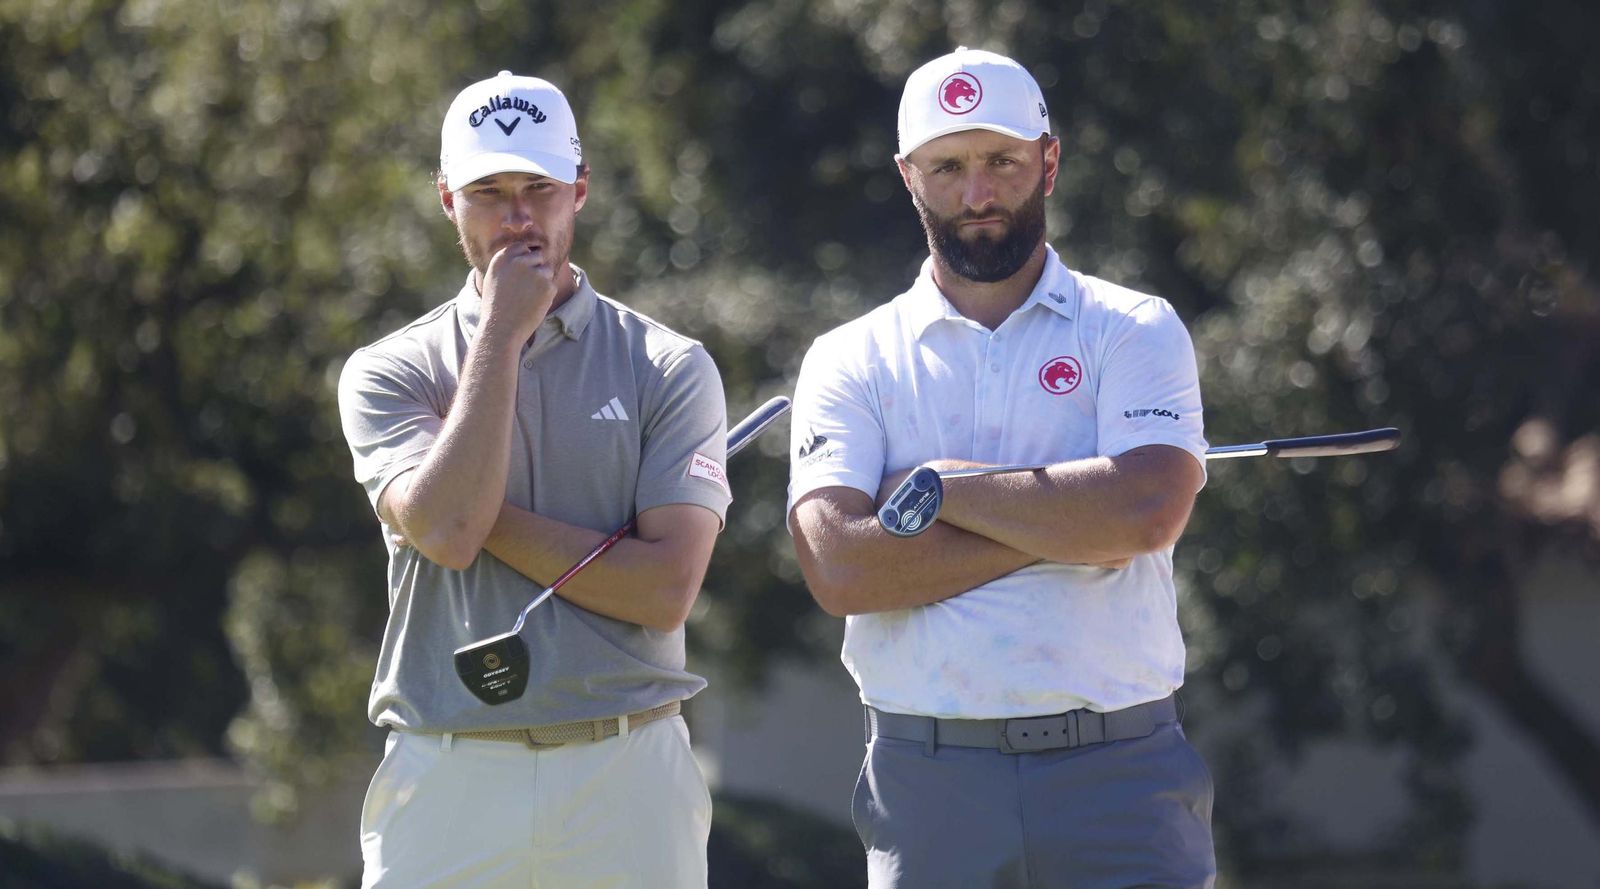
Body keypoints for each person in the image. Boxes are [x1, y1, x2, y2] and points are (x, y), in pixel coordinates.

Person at [787, 48, 1216, 889]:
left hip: (1120, 771)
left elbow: (1146, 514)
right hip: (929, 776)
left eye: (1002, 162)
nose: (977, 194)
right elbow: (841, 566)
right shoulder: (849, 359)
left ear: (1048, 162)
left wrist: (944, 489)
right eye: (947, 167)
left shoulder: (1133, 326)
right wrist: (1068, 519)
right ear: (908, 176)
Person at [337, 70, 729, 888]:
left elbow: (664, 589)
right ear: (447, 199)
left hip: (628, 768)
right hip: (448, 770)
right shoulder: (389, 371)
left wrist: (477, 516)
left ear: (578, 191)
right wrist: (503, 333)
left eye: (538, 188)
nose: (517, 216)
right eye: (488, 191)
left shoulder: (668, 366)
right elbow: (446, 536)